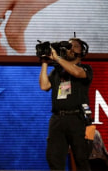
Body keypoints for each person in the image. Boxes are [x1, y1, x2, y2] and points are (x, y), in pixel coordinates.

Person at [38, 38, 92, 170]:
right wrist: (45, 63)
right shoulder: (57, 72)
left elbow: (76, 72)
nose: (70, 48)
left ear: (82, 50)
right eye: (68, 46)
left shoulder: (85, 68)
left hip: (77, 118)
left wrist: (57, 59)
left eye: (74, 46)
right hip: (57, 119)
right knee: (53, 157)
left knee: (81, 158)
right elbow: (44, 86)